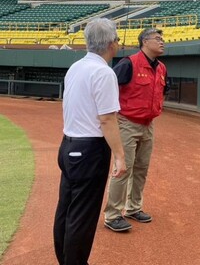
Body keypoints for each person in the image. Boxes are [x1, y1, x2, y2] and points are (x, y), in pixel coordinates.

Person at [53, 18, 127, 265]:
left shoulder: (75, 67)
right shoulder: (104, 72)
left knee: (66, 208)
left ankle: (64, 260)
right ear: (110, 44)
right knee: (83, 215)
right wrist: (119, 156)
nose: (118, 44)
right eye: (117, 39)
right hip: (89, 150)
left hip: (68, 145)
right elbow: (107, 119)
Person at [104, 28, 167, 232]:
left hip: (148, 125)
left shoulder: (162, 68)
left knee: (141, 169)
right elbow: (109, 87)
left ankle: (133, 208)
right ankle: (112, 215)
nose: (162, 41)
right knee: (123, 169)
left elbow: (162, 92)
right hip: (127, 123)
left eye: (162, 38)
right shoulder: (128, 63)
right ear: (144, 42)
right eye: (157, 38)